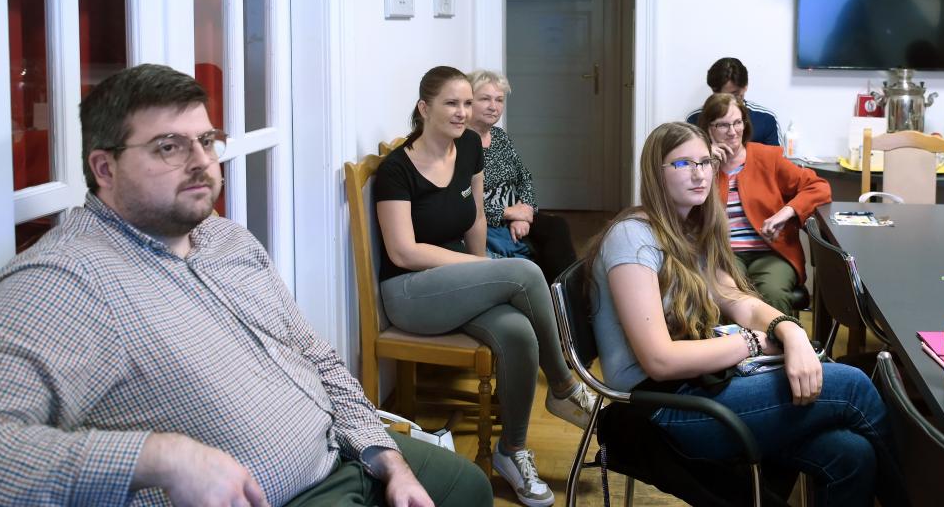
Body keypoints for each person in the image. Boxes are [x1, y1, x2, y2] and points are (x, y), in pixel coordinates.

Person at [0, 63, 492, 507]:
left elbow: (315, 355)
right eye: (169, 147)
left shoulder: (226, 238)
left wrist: (384, 456)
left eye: (207, 141)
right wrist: (158, 457)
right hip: (287, 496)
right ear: (104, 168)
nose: (201, 162)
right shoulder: (65, 280)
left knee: (468, 487)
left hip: (344, 452)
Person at [586, 122, 905, 507]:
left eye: (705, 162)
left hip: (702, 384)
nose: (700, 173)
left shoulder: (686, 227)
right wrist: (752, 342)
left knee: (852, 455)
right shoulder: (632, 237)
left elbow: (736, 299)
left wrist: (790, 331)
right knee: (853, 385)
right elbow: (659, 360)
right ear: (656, 173)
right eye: (684, 163)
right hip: (664, 408)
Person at [375, 66, 596, 507]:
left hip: (459, 281)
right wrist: (479, 268)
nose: (463, 112)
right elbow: (403, 251)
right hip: (411, 293)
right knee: (524, 271)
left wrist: (480, 270)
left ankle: (512, 451)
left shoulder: (469, 146)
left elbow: (476, 216)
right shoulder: (396, 169)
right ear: (424, 108)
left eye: (466, 103)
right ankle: (564, 385)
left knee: (518, 332)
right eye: (451, 103)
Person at [698, 93, 830, 315]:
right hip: (724, 253)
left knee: (773, 294)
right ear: (708, 128)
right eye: (723, 125)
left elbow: (818, 187)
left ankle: (781, 339)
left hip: (771, 252)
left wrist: (786, 212)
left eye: (737, 122)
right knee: (727, 296)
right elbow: (684, 209)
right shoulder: (700, 165)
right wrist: (705, 163)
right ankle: (735, 340)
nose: (732, 131)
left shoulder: (768, 157)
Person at [466, 69, 578, 284]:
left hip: (516, 214)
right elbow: (463, 201)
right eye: (485, 99)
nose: (494, 106)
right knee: (539, 248)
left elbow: (524, 177)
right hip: (486, 222)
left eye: (499, 100)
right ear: (469, 101)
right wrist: (508, 213)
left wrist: (525, 211)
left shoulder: (499, 136)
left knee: (557, 226)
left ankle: (566, 292)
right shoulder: (460, 143)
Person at [685, 56, 784, 147]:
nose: (726, 101)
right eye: (719, 95)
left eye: (733, 95)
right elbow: (687, 156)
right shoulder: (695, 119)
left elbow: (777, 159)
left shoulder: (766, 119)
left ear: (745, 87)